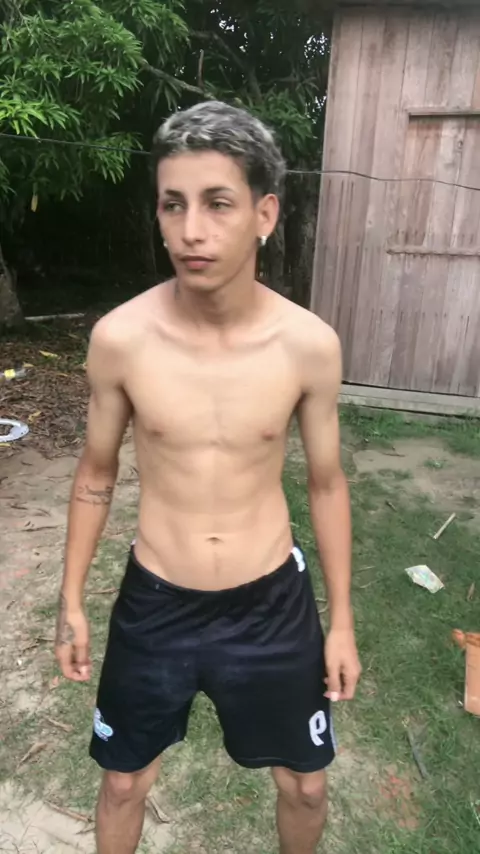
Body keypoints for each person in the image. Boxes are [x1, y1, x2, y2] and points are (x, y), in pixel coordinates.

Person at [55, 100, 361, 854]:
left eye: (217, 203)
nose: (191, 230)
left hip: (271, 604)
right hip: (157, 602)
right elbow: (96, 472)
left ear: (264, 214)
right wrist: (71, 598)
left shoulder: (308, 345)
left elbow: (326, 484)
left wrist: (342, 621)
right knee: (122, 783)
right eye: (173, 204)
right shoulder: (122, 339)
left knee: (306, 785)